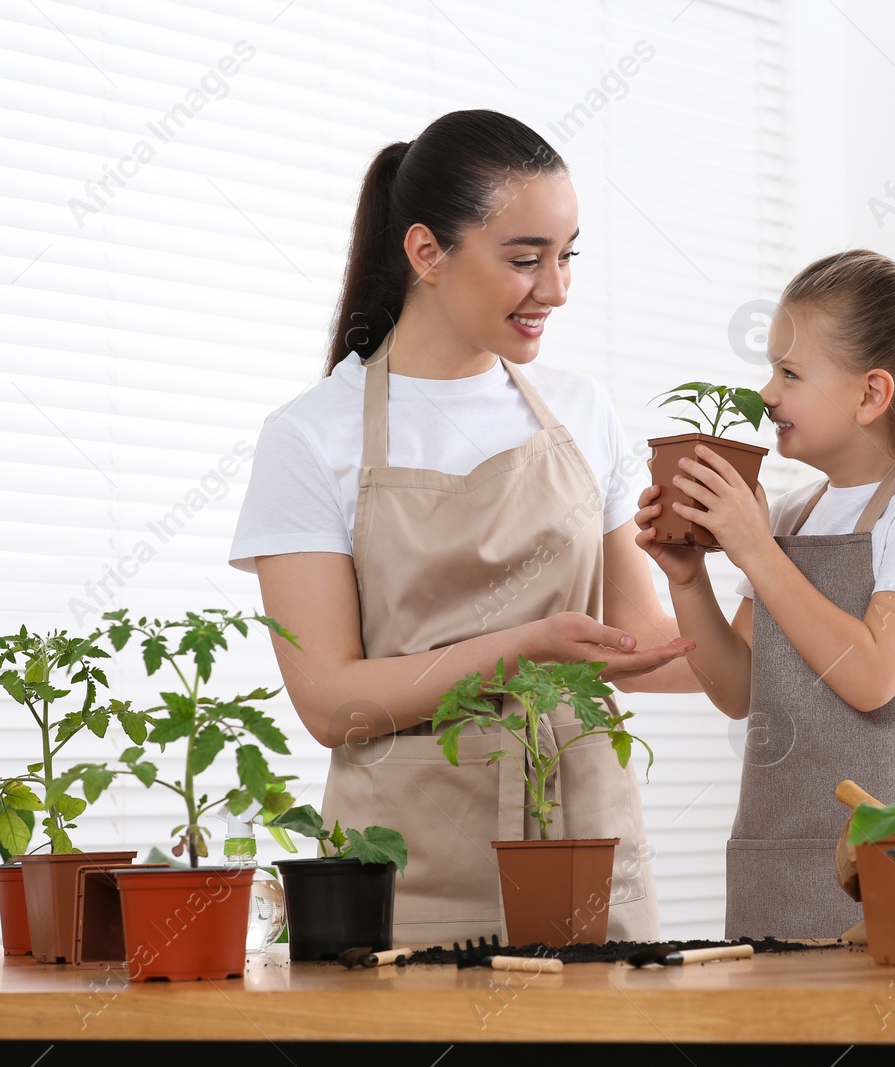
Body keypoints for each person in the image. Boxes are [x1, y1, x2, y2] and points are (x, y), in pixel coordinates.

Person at [230, 110, 697, 944]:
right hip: (405, 877)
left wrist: (800, 623)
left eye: (566, 256)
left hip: (588, 859)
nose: (554, 289)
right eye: (525, 259)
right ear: (425, 252)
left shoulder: (583, 412)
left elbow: (637, 640)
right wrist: (528, 645)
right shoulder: (311, 436)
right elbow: (334, 705)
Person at [633, 250, 895, 939]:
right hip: (771, 863)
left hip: (879, 873)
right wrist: (686, 580)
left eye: (790, 372)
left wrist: (755, 550)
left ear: (870, 395)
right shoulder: (793, 514)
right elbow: (740, 687)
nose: (767, 392)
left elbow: (870, 675)